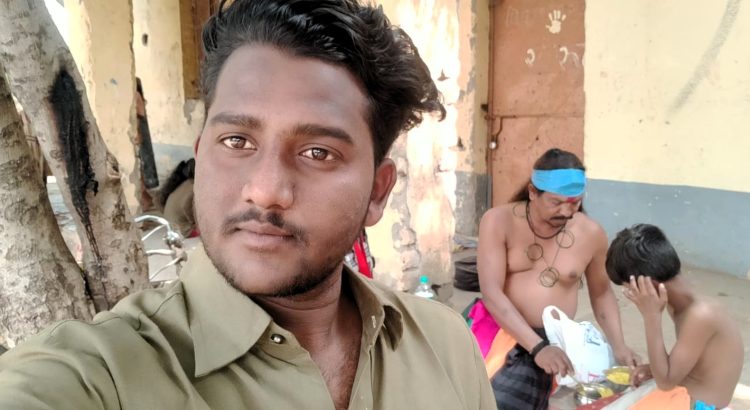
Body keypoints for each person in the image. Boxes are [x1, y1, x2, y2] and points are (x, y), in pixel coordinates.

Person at [0, 1, 495, 409]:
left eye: (318, 153)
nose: (265, 190)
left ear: (377, 193)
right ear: (201, 156)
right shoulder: (100, 375)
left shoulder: (446, 345)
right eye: (237, 141)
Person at [477, 148, 638, 409]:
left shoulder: (591, 233)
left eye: (574, 202)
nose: (566, 211)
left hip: (554, 338)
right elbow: (491, 292)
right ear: (532, 192)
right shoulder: (498, 220)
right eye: (556, 202)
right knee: (480, 397)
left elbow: (601, 293)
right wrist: (537, 348)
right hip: (499, 328)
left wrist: (619, 346)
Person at [606, 224, 743, 410]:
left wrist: (651, 317)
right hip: (683, 393)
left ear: (648, 284)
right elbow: (688, 363)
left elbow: (666, 382)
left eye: (630, 288)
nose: (630, 294)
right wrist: (652, 369)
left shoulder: (700, 314)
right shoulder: (679, 304)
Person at [159, 158, 196, 237]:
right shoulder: (192, 185)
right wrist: (194, 223)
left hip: (171, 228)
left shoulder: (182, 184)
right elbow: (186, 205)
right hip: (182, 231)